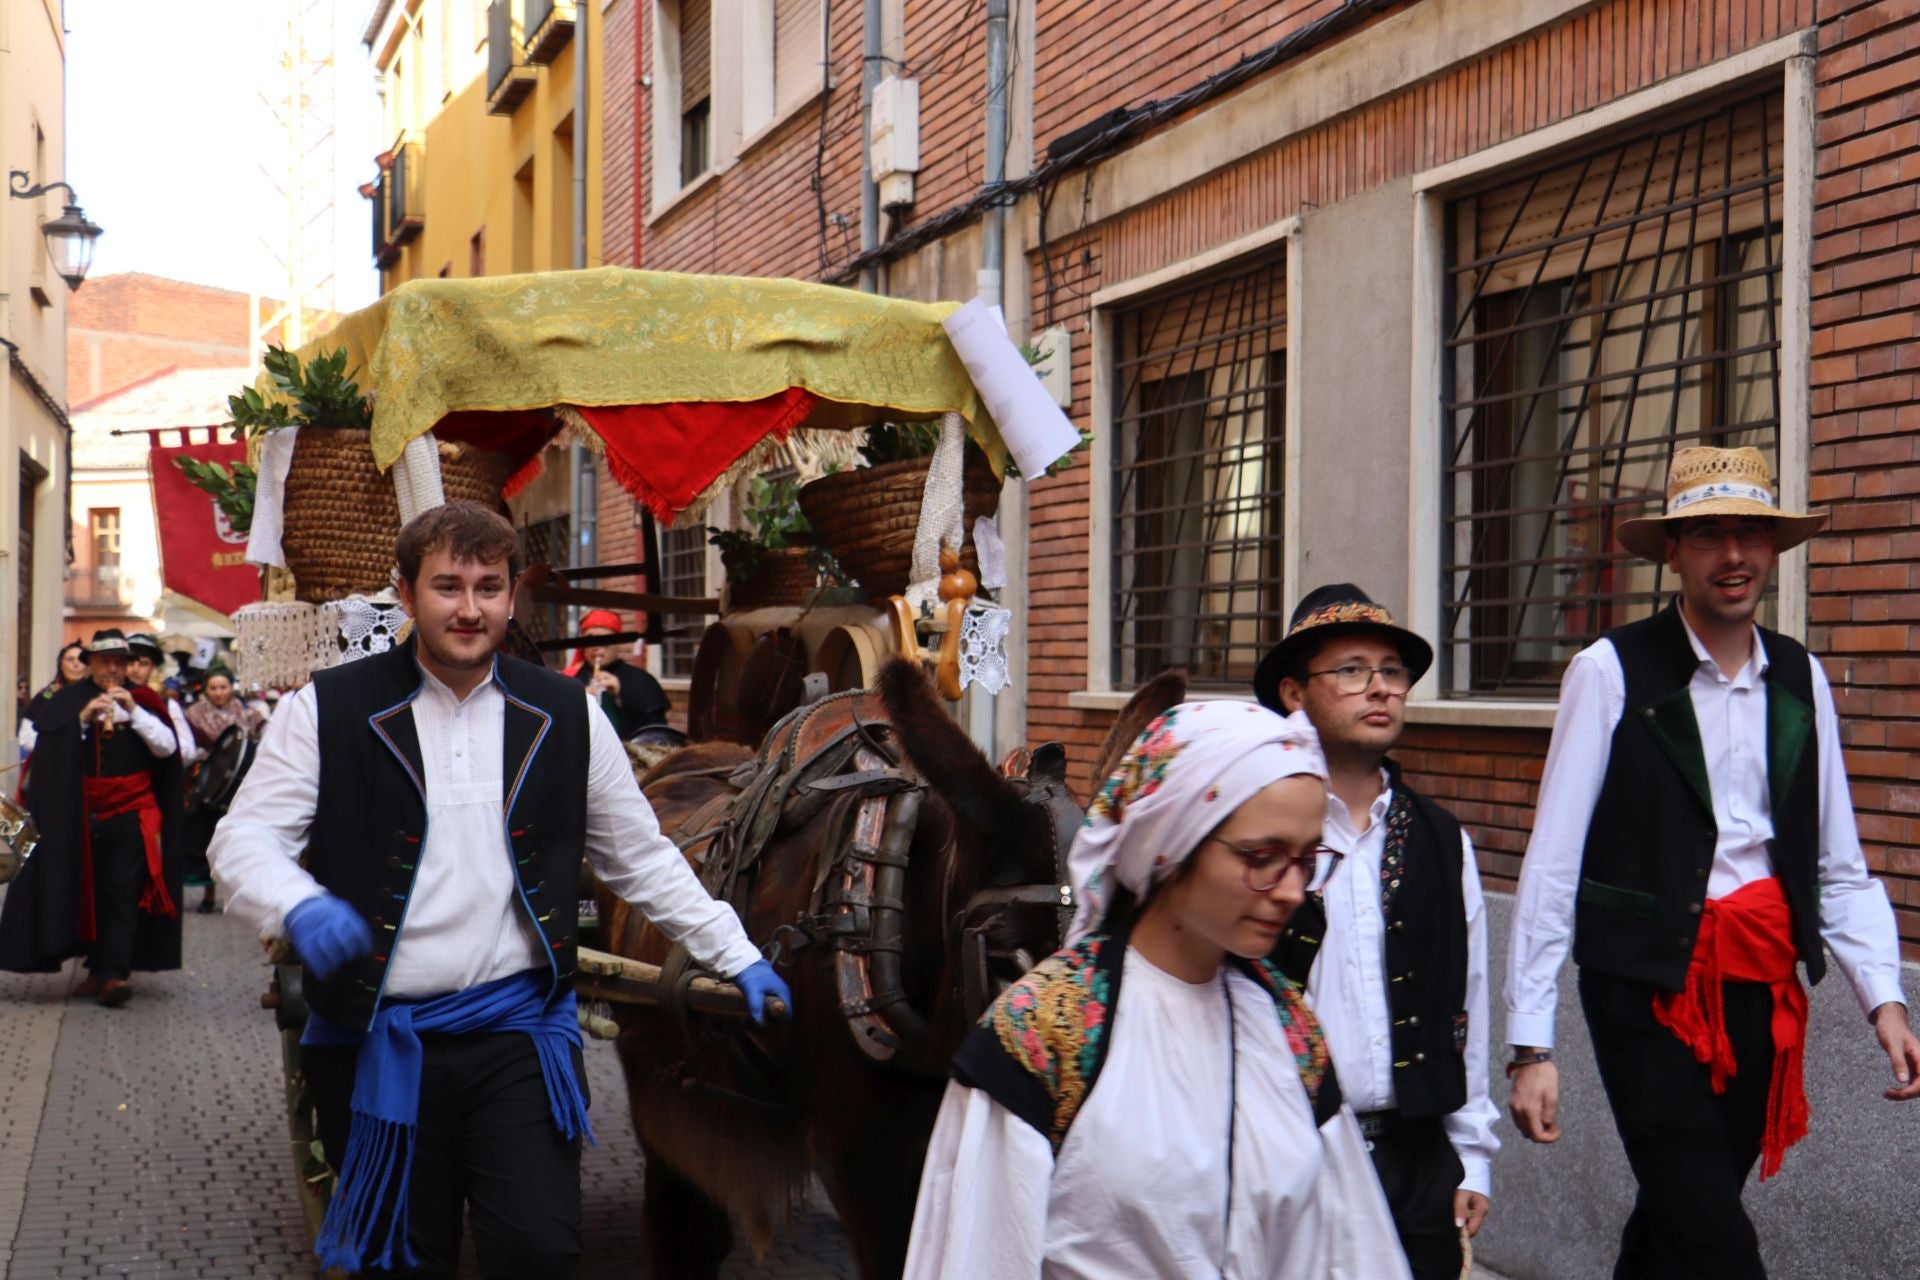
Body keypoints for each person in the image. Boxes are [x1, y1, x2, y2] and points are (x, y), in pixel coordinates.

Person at [208, 502, 791, 1277]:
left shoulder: (568, 713)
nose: (470, 607)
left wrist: (734, 953)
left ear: (513, 597)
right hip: (376, 1038)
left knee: (542, 1252)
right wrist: (297, 902)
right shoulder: (325, 710)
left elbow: (639, 859)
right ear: (406, 594)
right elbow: (241, 841)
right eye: (448, 586)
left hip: (516, 1036)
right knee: (404, 1261)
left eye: (489, 586)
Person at [1505, 446, 1920, 1278]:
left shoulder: (1801, 678)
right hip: (1643, 993)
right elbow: (1553, 862)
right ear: (1673, 552)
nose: (1732, 555)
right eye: (1707, 535)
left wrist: (1886, 1000)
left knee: (1675, 1223)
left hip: (1760, 991)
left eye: (1750, 533)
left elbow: (1835, 862)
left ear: (1773, 547)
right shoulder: (1609, 671)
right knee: (1718, 1244)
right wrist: (1530, 1043)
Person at [905, 700, 1410, 1279]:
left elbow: (1353, 1250)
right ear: (1171, 845)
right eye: (1262, 856)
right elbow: (978, 1256)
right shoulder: (1046, 1034)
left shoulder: (1290, 1029)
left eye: (1307, 858)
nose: (1293, 891)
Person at [1254, 584, 1498, 1278]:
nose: (1381, 689)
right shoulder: (1258, 832)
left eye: (1393, 672)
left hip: (1418, 1160)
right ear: (1296, 693)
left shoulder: (1440, 838)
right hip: (1290, 1152)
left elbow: (1468, 997)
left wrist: (1471, 1153)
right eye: (1354, 671)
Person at [0, 629, 185, 1006]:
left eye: (120, 661)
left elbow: (168, 749)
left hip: (130, 814)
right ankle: (96, 967)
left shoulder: (144, 700)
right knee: (91, 892)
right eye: (105, 662)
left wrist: (133, 713)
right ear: (92, 665)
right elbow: (41, 748)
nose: (113, 669)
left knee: (122, 892)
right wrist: (81, 722)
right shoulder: (68, 700)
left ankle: (116, 973)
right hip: (81, 817)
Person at [570, 609, 670, 742]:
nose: (596, 646)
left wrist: (621, 696)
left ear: (617, 643)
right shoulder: (571, 679)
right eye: (589, 639)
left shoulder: (641, 680)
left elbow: (656, 736)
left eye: (604, 640)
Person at [127, 633, 200, 767]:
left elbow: (188, 752)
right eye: (130, 663)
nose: (135, 670)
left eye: (143, 663)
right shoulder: (109, 699)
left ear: (153, 667)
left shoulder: (167, 705)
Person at [16, 641, 87, 757]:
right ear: (60, 664)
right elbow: (26, 738)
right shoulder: (47, 694)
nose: (76, 664)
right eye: (70, 659)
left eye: (80, 659)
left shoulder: (96, 693)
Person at [185, 665, 264, 752]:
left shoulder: (249, 712)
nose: (218, 693)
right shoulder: (194, 713)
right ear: (206, 689)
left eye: (223, 687)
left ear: (231, 687)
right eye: (213, 688)